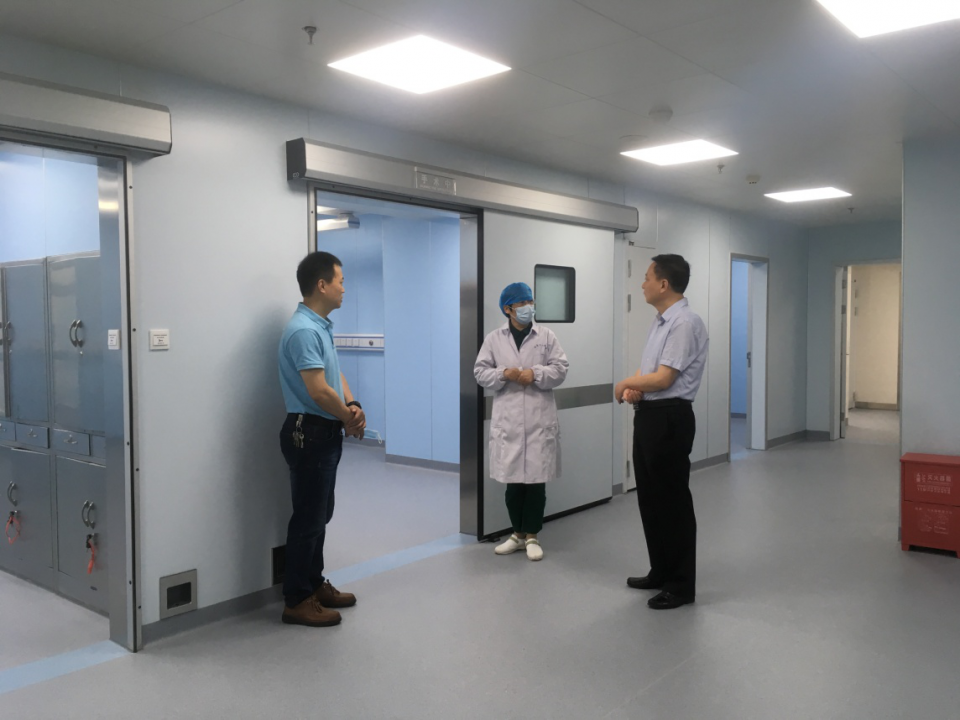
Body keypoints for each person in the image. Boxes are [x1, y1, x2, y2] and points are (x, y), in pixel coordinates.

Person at [614, 254, 708, 610]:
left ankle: (680, 585)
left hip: (670, 418)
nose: (643, 284)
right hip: (650, 415)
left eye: (647, 278)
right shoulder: (660, 322)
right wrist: (636, 388)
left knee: (671, 502)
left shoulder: (684, 322)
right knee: (651, 500)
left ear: (664, 284)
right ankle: (661, 571)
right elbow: (651, 373)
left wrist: (625, 382)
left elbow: (665, 379)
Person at [277, 251, 366, 627]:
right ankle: (296, 599)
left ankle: (314, 584)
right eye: (340, 281)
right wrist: (347, 417)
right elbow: (317, 391)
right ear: (322, 285)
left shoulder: (321, 327)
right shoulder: (303, 331)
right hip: (308, 432)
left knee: (320, 514)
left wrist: (352, 405)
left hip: (323, 432)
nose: (344, 288)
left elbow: (334, 375)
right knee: (308, 518)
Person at [474, 282, 569, 561]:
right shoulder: (494, 339)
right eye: (523, 303)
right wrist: (504, 373)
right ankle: (516, 534)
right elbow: (480, 372)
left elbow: (561, 368)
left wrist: (535, 374)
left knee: (536, 483)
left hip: (538, 421)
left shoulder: (546, 336)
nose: (529, 307)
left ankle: (532, 536)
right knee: (513, 484)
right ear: (508, 309)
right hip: (509, 422)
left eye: (531, 302)